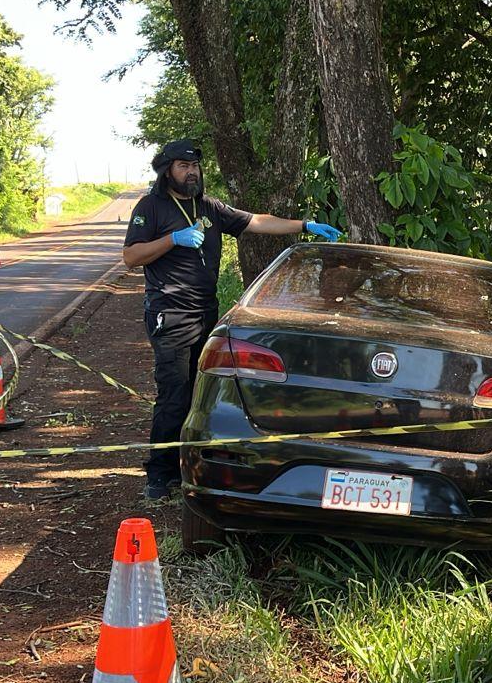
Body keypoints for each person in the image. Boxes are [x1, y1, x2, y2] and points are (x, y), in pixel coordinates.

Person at [122, 139, 343, 500]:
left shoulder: (208, 206)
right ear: (167, 171)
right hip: (170, 312)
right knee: (175, 394)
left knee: (203, 393)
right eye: (182, 166)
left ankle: (190, 465)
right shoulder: (151, 207)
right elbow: (131, 256)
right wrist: (172, 240)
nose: (191, 172)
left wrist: (305, 224)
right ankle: (159, 476)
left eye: (194, 166)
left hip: (205, 312)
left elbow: (255, 221)